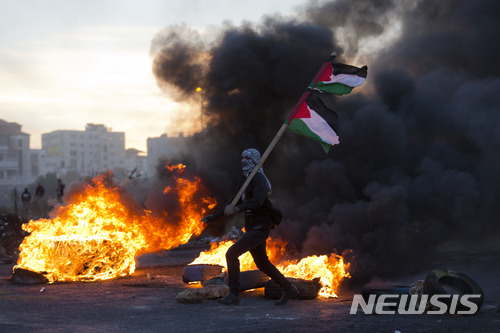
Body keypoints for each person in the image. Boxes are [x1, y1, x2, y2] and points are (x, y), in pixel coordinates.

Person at [201, 148, 299, 306]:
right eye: (241, 157)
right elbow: (233, 203)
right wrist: (214, 217)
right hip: (252, 227)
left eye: (247, 157)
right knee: (262, 263)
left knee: (231, 254)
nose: (243, 161)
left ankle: (234, 294)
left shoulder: (258, 179)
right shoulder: (244, 180)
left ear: (255, 159)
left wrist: (237, 209)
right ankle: (289, 289)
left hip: (261, 227)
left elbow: (257, 201)